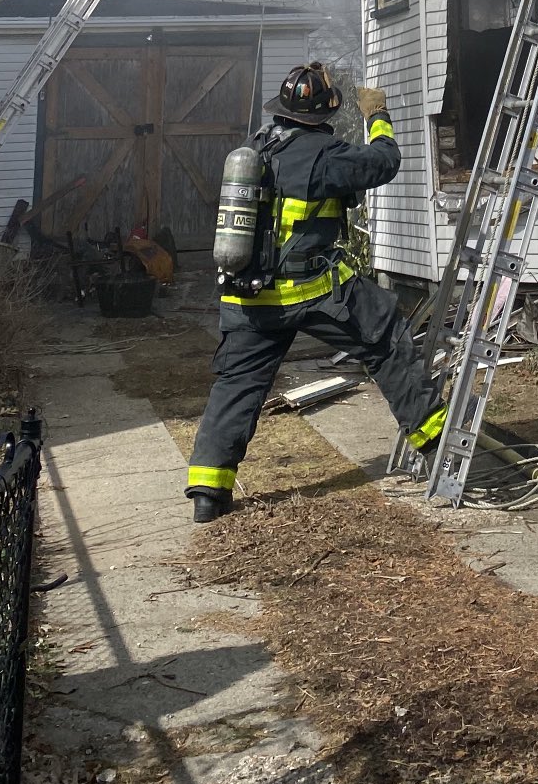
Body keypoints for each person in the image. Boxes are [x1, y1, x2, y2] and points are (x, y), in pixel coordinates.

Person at [185, 62, 446, 522]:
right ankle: (434, 440)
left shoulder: (253, 150)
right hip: (312, 289)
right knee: (386, 338)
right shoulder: (326, 154)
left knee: (236, 386)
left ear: (282, 110)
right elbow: (385, 161)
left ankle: (209, 493)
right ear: (325, 112)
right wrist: (378, 115)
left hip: (248, 298)